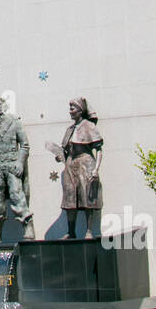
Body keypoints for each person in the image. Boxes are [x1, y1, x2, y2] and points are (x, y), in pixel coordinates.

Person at [0, 97, 35, 242]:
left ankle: (27, 226)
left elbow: (24, 146)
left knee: (17, 196)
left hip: (12, 166)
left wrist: (20, 163)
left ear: (5, 106)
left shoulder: (15, 123)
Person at [51, 97, 103, 239]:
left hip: (85, 163)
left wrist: (96, 169)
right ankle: (71, 231)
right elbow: (66, 149)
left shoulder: (89, 126)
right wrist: (60, 155)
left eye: (72, 108)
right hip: (70, 164)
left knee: (87, 197)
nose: (70, 111)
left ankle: (88, 230)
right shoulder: (70, 129)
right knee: (69, 197)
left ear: (80, 111)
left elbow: (98, 150)